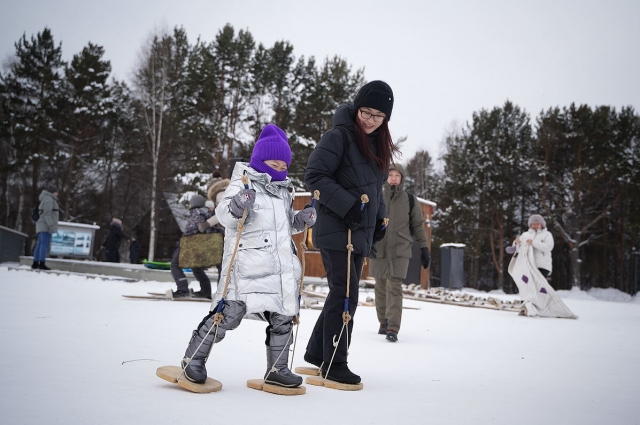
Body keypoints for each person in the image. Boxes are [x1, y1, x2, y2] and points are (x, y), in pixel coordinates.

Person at [179, 124, 316, 388]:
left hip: (279, 269)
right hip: (246, 268)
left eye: (283, 163)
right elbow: (223, 215)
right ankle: (193, 359)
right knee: (227, 315)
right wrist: (237, 204)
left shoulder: (284, 191)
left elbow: (287, 226)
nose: (278, 167)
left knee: (284, 317)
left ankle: (278, 368)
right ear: (258, 160)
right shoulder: (242, 182)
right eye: (273, 162)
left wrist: (301, 220)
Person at [303, 80, 399, 384]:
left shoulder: (378, 145)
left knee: (341, 292)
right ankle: (335, 362)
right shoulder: (339, 136)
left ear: (386, 120)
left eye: (378, 116)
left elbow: (376, 191)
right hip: (337, 229)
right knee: (346, 294)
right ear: (357, 108)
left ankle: (319, 353)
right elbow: (315, 175)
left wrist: (380, 220)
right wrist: (349, 206)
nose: (370, 120)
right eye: (366, 112)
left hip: (358, 233)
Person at [369, 163, 431, 343]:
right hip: (379, 247)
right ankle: (383, 322)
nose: (394, 178)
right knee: (380, 287)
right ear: (385, 177)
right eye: (391, 174)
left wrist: (424, 248)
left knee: (394, 287)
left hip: (401, 250)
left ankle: (393, 327)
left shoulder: (410, 200)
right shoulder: (376, 196)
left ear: (402, 178)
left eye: (397, 175)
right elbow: (368, 222)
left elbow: (419, 226)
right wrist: (367, 243)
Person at [169, 194, 216, 299]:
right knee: (196, 267)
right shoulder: (208, 214)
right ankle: (205, 291)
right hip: (202, 245)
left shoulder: (196, 213)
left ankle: (182, 289)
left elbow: (191, 230)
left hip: (190, 243)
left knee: (175, 264)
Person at [32, 184, 60, 270]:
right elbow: (47, 213)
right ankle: (42, 263)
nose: (57, 194)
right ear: (53, 192)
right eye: (56, 192)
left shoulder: (46, 198)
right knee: (44, 244)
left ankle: (35, 263)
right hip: (45, 224)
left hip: (42, 224)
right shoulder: (49, 200)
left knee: (40, 243)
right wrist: (51, 225)